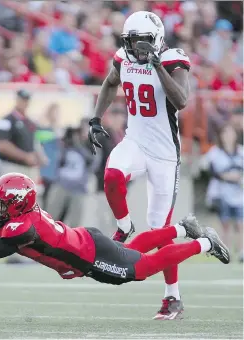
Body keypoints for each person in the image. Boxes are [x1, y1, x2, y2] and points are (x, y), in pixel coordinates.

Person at [0, 173, 230, 314]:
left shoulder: (23, 228)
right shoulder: (15, 215)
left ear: (17, 205)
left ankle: (204, 242)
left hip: (88, 254)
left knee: (140, 268)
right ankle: (181, 228)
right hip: (85, 239)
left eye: (1, 202)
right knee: (132, 253)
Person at [87, 11, 191, 319]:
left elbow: (181, 100)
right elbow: (109, 83)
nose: (136, 48)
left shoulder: (173, 59)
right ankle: (124, 225)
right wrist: (95, 118)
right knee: (112, 175)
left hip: (165, 154)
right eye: (131, 42)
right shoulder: (124, 58)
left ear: (156, 41)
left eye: (142, 42)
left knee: (160, 230)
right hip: (136, 140)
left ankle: (172, 297)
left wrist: (157, 65)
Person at [205, 124, 243, 262]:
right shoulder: (215, 152)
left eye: (230, 133)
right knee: (225, 223)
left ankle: (241, 251)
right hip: (222, 192)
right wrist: (227, 177)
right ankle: (225, 251)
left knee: (240, 223)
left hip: (239, 193)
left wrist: (238, 177)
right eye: (225, 133)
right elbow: (211, 171)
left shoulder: (240, 152)